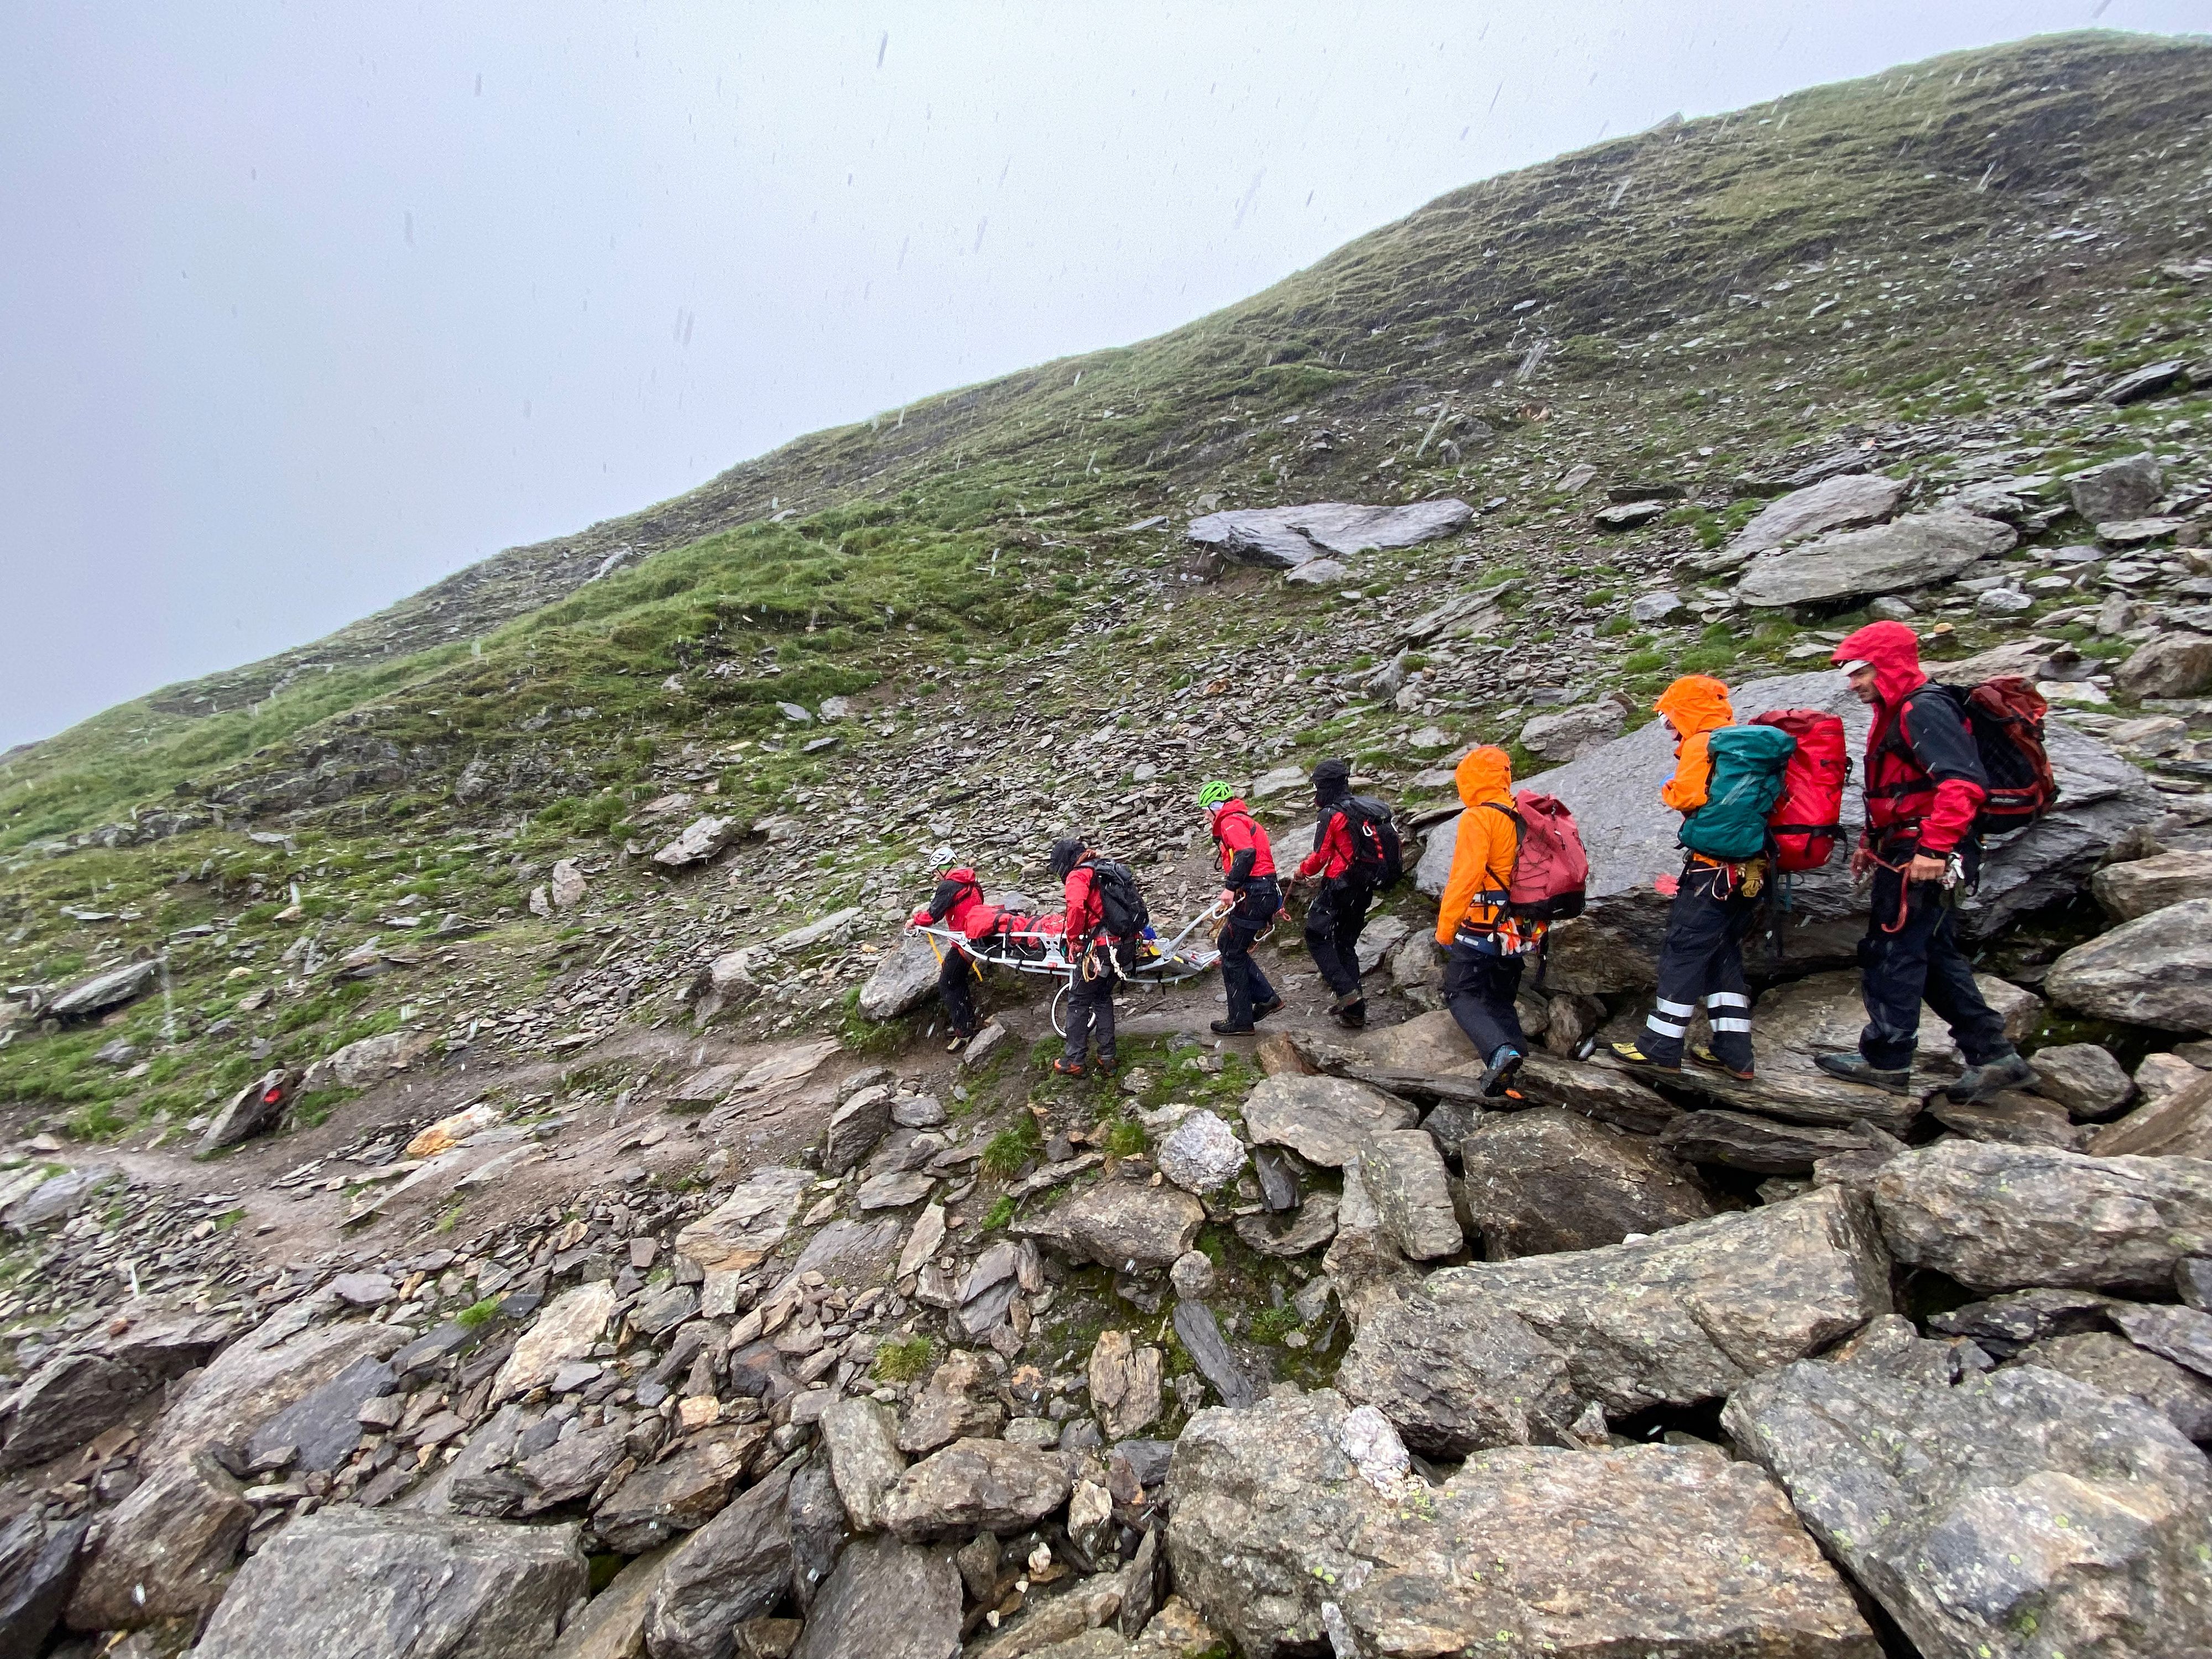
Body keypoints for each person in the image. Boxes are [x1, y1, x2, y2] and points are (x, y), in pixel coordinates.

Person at [1814, 621, 2036, 1099]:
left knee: (1892, 952)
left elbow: (1961, 785)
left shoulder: (1922, 709)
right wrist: (1871, 841)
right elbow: (1898, 787)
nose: (1852, 683)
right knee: (1932, 953)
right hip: (1908, 847)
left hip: (1927, 852)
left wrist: (1934, 849)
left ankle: (1887, 1060)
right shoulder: (1900, 708)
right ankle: (1994, 1055)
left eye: (1858, 671)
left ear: (1887, 664)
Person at [1611, 675, 1762, 1079]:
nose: (1669, 727)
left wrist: (1669, 788)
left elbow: (1689, 795)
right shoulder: (1742, 742)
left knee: (1683, 951)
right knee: (1722, 953)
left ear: (1685, 711)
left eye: (1669, 717)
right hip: (1752, 871)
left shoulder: (1701, 743)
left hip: (1711, 871)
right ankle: (1734, 1051)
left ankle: (1660, 1045)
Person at [1434, 746, 1538, 1097]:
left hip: (1485, 922)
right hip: (1521, 926)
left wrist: (1446, 927)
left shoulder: (1479, 817)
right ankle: (1520, 1077)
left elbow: (1465, 877)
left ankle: (1501, 1055)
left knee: (1460, 991)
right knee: (1499, 998)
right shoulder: (1521, 813)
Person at [1291, 759, 1378, 1028]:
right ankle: (1355, 1011)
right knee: (1344, 942)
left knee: (1316, 936)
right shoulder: (1363, 808)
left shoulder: (1332, 813)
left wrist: (1302, 871)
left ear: (1325, 786)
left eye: (1317, 785)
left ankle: (1348, 996)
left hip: (1340, 884)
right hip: (1365, 885)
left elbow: (1321, 856)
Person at [1199, 780, 1285, 1035]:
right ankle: (1264, 1000)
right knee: (1230, 946)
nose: (1205, 815)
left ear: (1216, 806)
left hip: (1254, 892)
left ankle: (1241, 1020)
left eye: (1206, 809)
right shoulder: (1243, 820)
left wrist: (1231, 886)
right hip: (1262, 891)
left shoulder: (1230, 821)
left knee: (1231, 951)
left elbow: (1246, 853)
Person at [1049, 836, 1129, 1077]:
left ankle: (1074, 1059)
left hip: (1100, 950)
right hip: (1123, 946)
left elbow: (1075, 907)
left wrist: (1073, 938)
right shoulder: (1105, 868)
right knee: (1102, 997)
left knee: (1079, 1000)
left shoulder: (1078, 875)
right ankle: (1107, 1057)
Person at [908, 865, 988, 1047]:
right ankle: (967, 1021)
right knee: (957, 980)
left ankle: (963, 1032)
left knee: (947, 984)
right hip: (975, 937)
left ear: (944, 868)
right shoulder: (972, 882)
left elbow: (932, 915)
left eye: (936, 871)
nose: (935, 876)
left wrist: (915, 921)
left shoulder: (949, 886)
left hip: (964, 942)